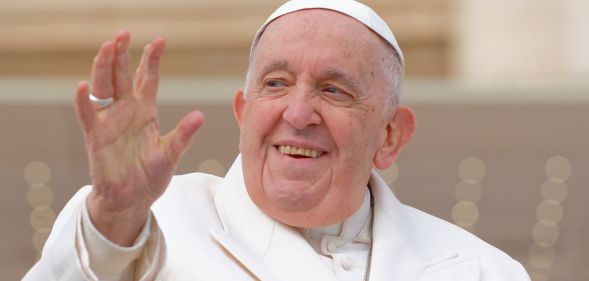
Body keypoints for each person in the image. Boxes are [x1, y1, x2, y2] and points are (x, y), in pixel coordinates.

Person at [24, 0, 531, 280]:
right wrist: (113, 217)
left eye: (334, 90)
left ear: (391, 135)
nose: (298, 112)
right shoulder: (140, 224)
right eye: (276, 83)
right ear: (244, 113)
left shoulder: (486, 271)